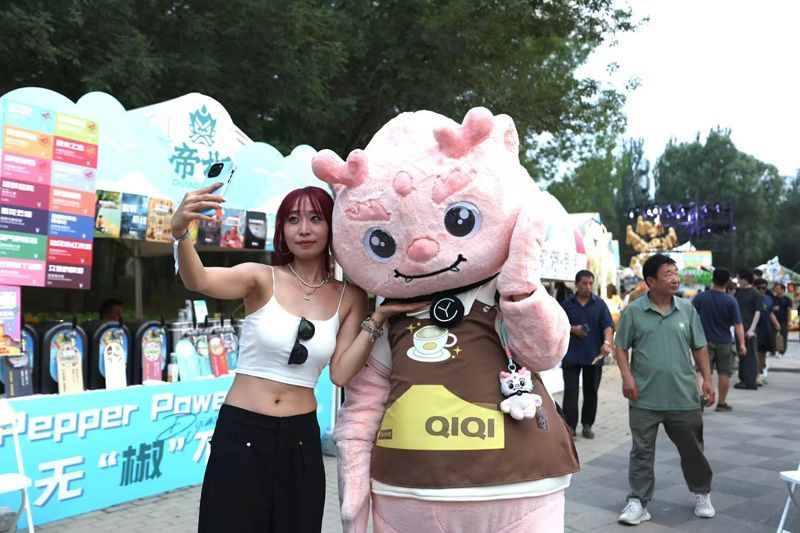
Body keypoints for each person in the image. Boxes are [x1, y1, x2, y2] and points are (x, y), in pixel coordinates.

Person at [171, 183, 420, 532]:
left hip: (300, 438)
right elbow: (198, 279)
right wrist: (181, 232)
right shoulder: (261, 277)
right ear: (282, 230)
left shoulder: (350, 296)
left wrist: (378, 318)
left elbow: (341, 374)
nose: (304, 229)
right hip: (242, 431)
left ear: (332, 227)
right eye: (293, 220)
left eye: (316, 218)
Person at [614, 254, 715, 525]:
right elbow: (620, 347)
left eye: (675, 273)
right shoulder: (634, 311)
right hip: (643, 397)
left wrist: (707, 379)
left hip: (684, 396)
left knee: (693, 449)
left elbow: (700, 346)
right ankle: (638, 502)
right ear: (651, 281)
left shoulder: (687, 309)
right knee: (641, 452)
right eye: (668, 274)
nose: (675, 279)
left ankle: (702, 492)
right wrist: (626, 377)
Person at [560, 270, 614, 439]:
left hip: (594, 355)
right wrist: (572, 329)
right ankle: (569, 427)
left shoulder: (600, 304)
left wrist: (607, 343)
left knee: (591, 392)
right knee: (571, 392)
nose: (588, 287)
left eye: (591, 283)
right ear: (577, 284)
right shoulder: (567, 304)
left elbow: (608, 325)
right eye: (584, 283)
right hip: (571, 354)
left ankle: (587, 425)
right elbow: (557, 324)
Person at [691, 268, 746, 412]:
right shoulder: (731, 301)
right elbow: (738, 324)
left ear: (712, 279)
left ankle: (702, 397)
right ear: (727, 282)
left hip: (703, 341)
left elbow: (690, 318)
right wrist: (742, 344)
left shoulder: (700, 298)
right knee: (724, 372)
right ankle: (721, 403)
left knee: (702, 371)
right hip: (725, 341)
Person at [733, 270, 763, 390]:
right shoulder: (738, 292)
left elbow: (758, 312)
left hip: (749, 329)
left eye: (739, 278)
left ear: (745, 279)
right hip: (739, 327)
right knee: (742, 355)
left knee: (751, 355)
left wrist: (752, 329)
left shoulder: (755, 293)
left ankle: (751, 381)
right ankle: (743, 379)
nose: (738, 281)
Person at [754, 278, 780, 385]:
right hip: (755, 328)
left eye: (763, 288)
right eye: (758, 288)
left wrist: (776, 323)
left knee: (763, 352)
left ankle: (761, 372)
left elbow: (770, 312)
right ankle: (756, 375)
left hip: (766, 328)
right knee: (756, 352)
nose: (761, 290)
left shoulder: (768, 299)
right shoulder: (752, 298)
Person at [771, 283, 792, 357]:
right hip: (773, 320)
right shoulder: (773, 298)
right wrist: (773, 308)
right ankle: (773, 351)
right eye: (775, 288)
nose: (775, 290)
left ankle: (781, 352)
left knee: (782, 336)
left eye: (777, 288)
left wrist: (789, 321)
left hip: (783, 320)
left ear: (782, 290)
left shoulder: (787, 299)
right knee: (772, 336)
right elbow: (769, 308)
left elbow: (789, 311)